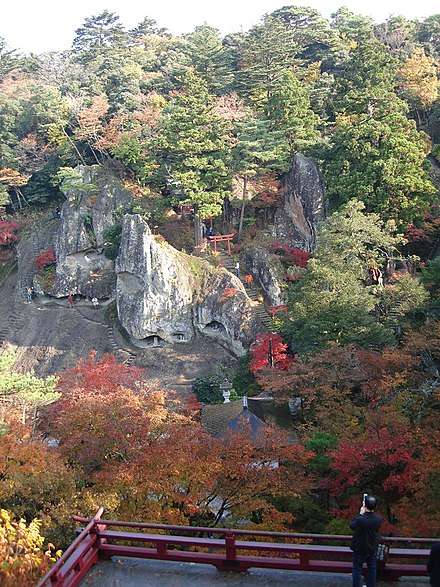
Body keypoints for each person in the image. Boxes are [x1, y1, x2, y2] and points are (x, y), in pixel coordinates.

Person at [350, 494, 383, 587]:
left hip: (359, 547)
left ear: (365, 506)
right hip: (372, 547)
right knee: (372, 569)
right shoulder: (378, 519)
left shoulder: (360, 519)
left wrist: (360, 513)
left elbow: (352, 525)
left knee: (357, 570)